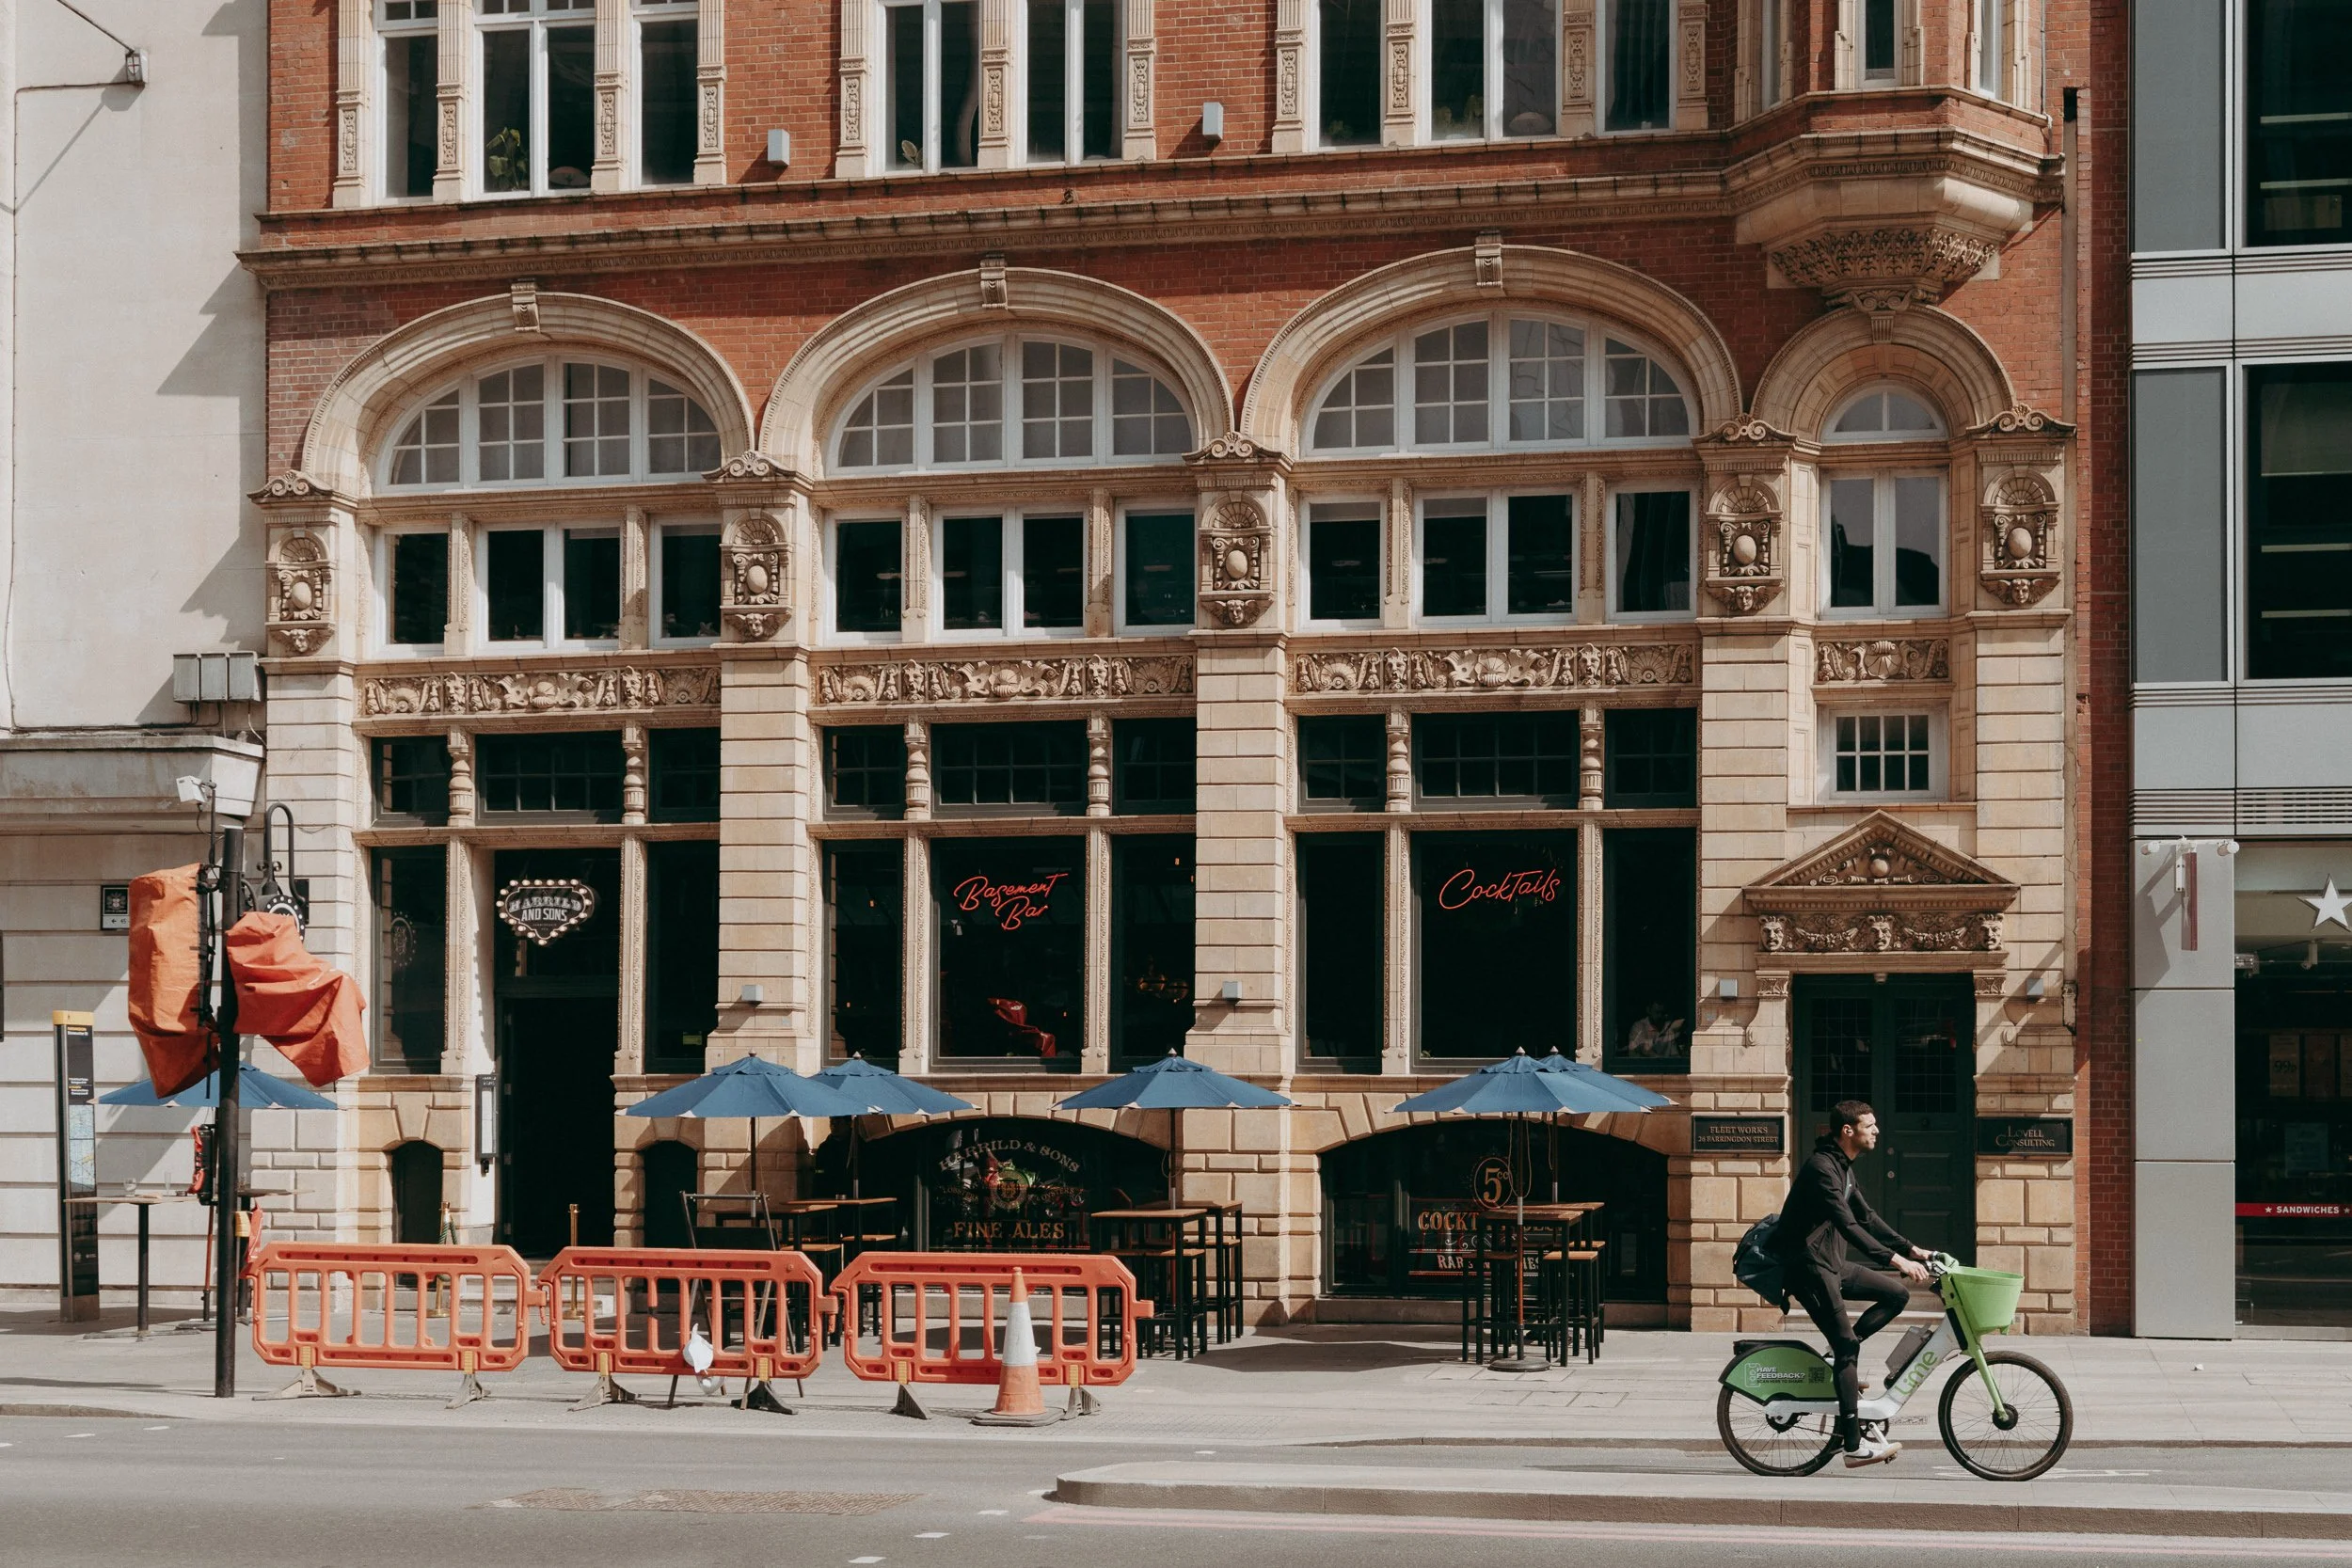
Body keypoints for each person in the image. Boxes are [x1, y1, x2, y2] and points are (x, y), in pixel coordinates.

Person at [1772, 1100, 1933, 1467]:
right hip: (1808, 1268)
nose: (1876, 1131)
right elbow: (1848, 1225)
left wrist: (1912, 1249)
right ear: (1849, 1130)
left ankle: (1836, 1359)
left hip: (1831, 1264)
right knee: (1848, 1347)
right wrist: (1896, 1261)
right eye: (1870, 1125)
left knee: (1896, 1294)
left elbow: (1867, 1217)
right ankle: (1851, 1445)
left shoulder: (1843, 1168)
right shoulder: (1821, 1169)